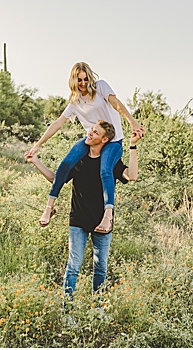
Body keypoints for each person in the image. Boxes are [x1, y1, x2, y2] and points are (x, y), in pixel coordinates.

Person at [25, 120, 140, 317]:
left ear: (104, 139)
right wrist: (36, 161)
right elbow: (57, 178)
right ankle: (67, 312)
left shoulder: (110, 162)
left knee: (101, 268)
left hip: (102, 223)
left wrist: (132, 145)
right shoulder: (78, 159)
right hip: (78, 219)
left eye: (95, 132)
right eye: (91, 129)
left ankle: (98, 308)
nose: (90, 133)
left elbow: (132, 175)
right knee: (73, 267)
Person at [24, 62, 145, 232]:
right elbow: (58, 123)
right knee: (66, 164)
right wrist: (37, 146)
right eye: (79, 80)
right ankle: (49, 208)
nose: (83, 83)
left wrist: (133, 122)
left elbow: (117, 104)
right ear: (73, 81)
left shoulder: (101, 87)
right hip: (91, 138)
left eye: (85, 79)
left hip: (113, 140)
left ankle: (108, 216)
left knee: (105, 170)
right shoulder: (74, 101)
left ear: (90, 77)